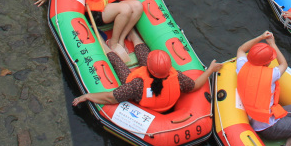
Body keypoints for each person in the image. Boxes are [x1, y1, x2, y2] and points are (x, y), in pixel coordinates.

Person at [71, 37, 222, 112]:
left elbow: (111, 97)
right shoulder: (177, 77)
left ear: (148, 68)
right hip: (166, 105)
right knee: (143, 55)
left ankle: (102, 43)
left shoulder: (137, 85)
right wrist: (209, 70)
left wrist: (87, 96)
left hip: (146, 104)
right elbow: (194, 86)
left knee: (118, 63)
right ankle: (132, 33)